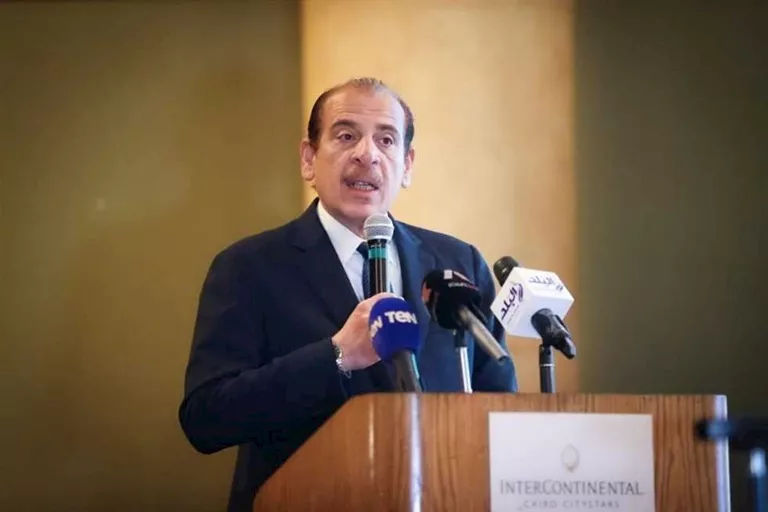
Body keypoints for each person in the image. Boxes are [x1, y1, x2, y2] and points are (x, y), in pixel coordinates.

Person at [179, 77, 518, 511]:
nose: (367, 154)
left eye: (386, 140)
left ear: (407, 165)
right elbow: (205, 418)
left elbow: (499, 404)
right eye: (345, 136)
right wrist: (336, 355)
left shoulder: (458, 263)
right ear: (309, 159)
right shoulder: (249, 267)